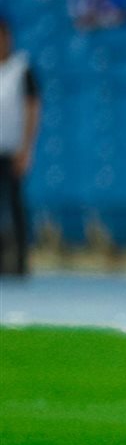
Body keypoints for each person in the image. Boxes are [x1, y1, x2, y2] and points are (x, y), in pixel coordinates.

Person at [0, 15, 39, 276]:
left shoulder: (20, 68)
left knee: (15, 205)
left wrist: (26, 148)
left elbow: (32, 108)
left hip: (11, 148)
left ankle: (21, 260)